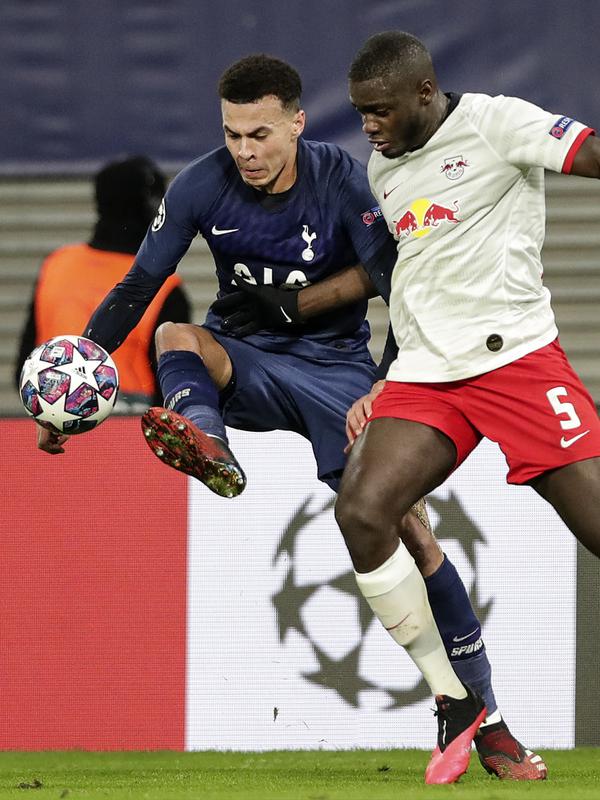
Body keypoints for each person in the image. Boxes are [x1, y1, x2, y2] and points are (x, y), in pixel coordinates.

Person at [37, 55, 544, 783]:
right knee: (175, 336)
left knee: (408, 530)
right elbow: (140, 283)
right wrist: (69, 392)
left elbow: (395, 280)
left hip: (338, 373)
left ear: (298, 123)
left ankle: (481, 716)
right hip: (242, 357)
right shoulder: (201, 186)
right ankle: (207, 441)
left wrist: (388, 386)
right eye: (234, 133)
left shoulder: (343, 177)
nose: (246, 150)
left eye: (261, 134)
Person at [326, 28, 600, 780]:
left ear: (423, 92)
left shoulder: (497, 121)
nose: (367, 127)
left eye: (378, 110)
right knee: (361, 511)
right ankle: (456, 698)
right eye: (358, 112)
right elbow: (418, 277)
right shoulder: (383, 166)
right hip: (425, 374)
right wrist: (389, 373)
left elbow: (591, 154)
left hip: (516, 362)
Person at [15, 156, 191, 411]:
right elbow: (171, 387)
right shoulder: (164, 285)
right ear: (152, 207)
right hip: (127, 427)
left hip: (49, 418)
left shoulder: (56, 265)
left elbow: (24, 362)